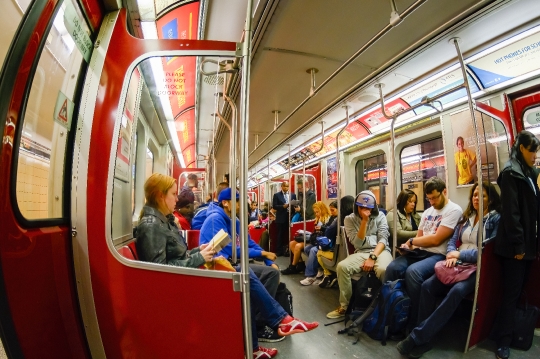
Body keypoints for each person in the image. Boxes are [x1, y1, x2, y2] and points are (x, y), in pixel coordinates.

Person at [135, 174, 318, 358]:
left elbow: (178, 256)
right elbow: (158, 271)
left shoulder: (164, 221)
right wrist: (200, 258)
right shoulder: (152, 225)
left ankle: (261, 340)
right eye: (173, 194)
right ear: (160, 195)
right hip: (181, 287)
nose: (177, 198)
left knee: (245, 280)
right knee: (242, 276)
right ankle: (278, 322)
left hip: (188, 276)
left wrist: (199, 251)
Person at [397, 182, 501, 358]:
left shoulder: (495, 219)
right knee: (427, 287)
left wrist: (459, 255)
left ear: (490, 199)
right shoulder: (468, 217)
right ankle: (424, 336)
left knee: (457, 291)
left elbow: (484, 251)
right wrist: (451, 254)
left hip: (476, 268)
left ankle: (418, 337)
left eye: (481, 196)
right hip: (455, 262)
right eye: (474, 195)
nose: (477, 199)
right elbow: (453, 240)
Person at [384, 176, 462, 330]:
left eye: (434, 198)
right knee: (393, 268)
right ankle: (390, 314)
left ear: (444, 192)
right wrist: (409, 247)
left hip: (438, 254)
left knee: (413, 272)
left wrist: (412, 242)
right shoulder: (427, 212)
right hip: (420, 252)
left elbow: (436, 240)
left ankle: (414, 321)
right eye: (429, 198)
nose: (432, 202)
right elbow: (420, 237)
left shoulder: (454, 210)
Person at [492, 130, 540, 359]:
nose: (535, 155)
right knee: (511, 294)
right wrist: (519, 246)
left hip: (528, 245)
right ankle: (503, 341)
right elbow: (512, 214)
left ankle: (509, 333)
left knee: (518, 290)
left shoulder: (529, 172)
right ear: (521, 148)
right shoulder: (511, 173)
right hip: (515, 247)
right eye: (532, 151)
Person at [326, 190, 392, 319]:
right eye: (361, 207)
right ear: (356, 206)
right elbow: (357, 243)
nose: (364, 210)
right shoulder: (349, 219)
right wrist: (364, 222)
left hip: (380, 251)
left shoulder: (381, 217)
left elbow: (383, 239)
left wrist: (373, 257)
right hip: (361, 252)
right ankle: (345, 306)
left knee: (384, 270)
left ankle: (384, 305)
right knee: (342, 267)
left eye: (368, 208)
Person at [199, 188, 279, 270]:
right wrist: (262, 253)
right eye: (237, 201)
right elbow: (230, 249)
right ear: (225, 203)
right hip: (218, 266)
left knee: (272, 273)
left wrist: (269, 261)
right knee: (268, 275)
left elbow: (248, 242)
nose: (239, 205)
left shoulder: (234, 220)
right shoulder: (215, 220)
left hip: (232, 262)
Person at [280, 201, 332, 276]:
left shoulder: (326, 219)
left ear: (322, 210)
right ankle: (301, 264)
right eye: (315, 212)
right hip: (314, 238)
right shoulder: (318, 218)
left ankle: (293, 266)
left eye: (317, 212)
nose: (316, 214)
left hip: (318, 240)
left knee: (298, 246)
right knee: (292, 244)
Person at [318, 195, 355, 288]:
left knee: (318, 253)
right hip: (355, 254)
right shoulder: (359, 219)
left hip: (339, 254)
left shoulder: (339, 220)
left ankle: (328, 274)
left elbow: (328, 233)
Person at [299, 201, 338, 285]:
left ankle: (311, 276)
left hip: (330, 243)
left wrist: (322, 228)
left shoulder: (336, 219)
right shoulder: (332, 218)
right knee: (307, 248)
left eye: (333, 210)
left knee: (313, 250)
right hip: (325, 240)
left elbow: (329, 231)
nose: (331, 212)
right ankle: (319, 268)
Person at [272, 182, 296, 256]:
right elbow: (274, 206)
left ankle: (287, 250)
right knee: (280, 235)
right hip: (281, 217)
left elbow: (295, 204)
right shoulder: (277, 195)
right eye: (284, 186)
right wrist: (283, 206)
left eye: (287, 186)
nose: (286, 188)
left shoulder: (293, 195)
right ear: (281, 186)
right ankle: (279, 251)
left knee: (289, 234)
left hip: (290, 217)